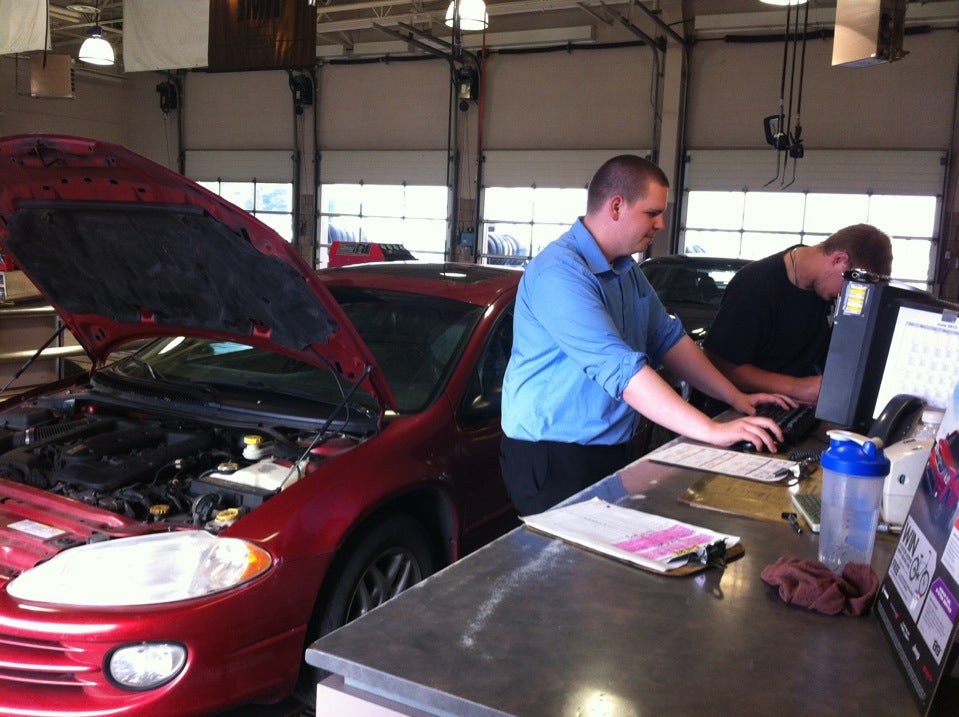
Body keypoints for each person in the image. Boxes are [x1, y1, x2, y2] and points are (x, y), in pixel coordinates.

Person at [499, 154, 793, 516]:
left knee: (602, 566)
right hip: (553, 456)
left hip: (608, 449)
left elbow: (668, 340)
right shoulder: (559, 273)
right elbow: (622, 371)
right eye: (652, 213)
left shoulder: (625, 271)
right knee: (567, 570)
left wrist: (737, 399)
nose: (661, 223)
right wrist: (711, 432)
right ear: (617, 206)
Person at [702, 224, 893, 407]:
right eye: (851, 286)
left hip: (798, 408)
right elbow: (719, 364)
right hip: (741, 413)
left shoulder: (826, 290)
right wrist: (796, 386)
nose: (848, 294)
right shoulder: (755, 286)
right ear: (839, 260)